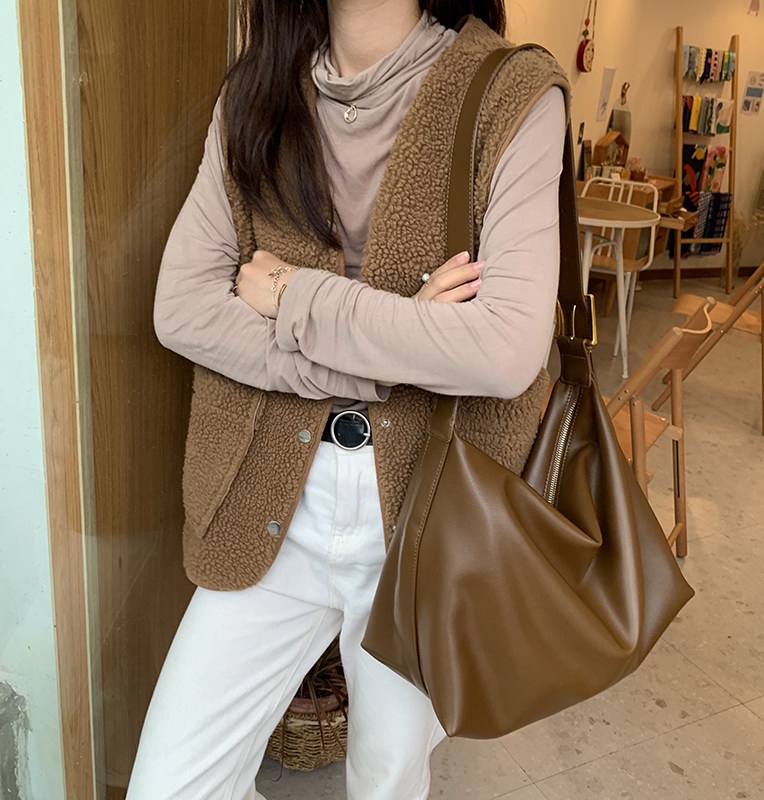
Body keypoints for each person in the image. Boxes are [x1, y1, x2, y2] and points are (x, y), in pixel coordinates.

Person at [127, 1, 568, 798]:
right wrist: (388, 355)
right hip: (266, 501)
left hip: (429, 521)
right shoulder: (256, 94)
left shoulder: (512, 91)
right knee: (171, 784)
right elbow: (182, 310)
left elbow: (505, 349)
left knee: (386, 780)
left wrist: (292, 295)